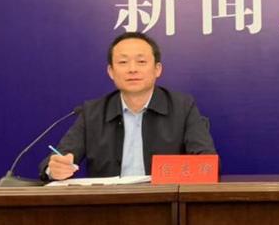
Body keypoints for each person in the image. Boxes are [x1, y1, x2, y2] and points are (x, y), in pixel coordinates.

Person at [40, 32, 216, 181]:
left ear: (157, 69)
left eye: (141, 62)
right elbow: (57, 159)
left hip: (164, 203)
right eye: (123, 62)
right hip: (109, 206)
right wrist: (54, 169)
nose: (132, 69)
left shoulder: (182, 107)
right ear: (111, 72)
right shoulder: (92, 112)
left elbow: (208, 163)